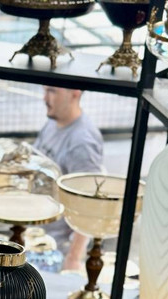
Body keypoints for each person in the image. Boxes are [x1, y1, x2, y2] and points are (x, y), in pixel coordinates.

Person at [34, 86, 104, 271]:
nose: (44, 98)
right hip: (36, 231)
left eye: (52, 91)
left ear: (75, 93)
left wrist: (73, 258)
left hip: (54, 250)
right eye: (44, 90)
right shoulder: (53, 122)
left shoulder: (82, 143)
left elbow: (91, 205)